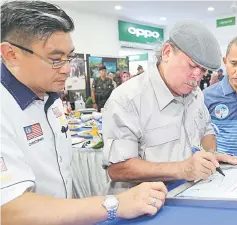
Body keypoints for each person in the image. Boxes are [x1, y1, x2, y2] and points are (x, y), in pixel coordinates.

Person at [0, 1, 167, 224]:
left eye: (70, 57)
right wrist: (114, 204)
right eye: (56, 59)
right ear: (10, 54)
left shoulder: (51, 96)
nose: (68, 69)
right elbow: (10, 208)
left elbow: (61, 177)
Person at [102, 19, 237, 195]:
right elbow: (118, 169)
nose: (197, 77)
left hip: (190, 196)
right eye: (192, 66)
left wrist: (209, 156)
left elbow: (206, 129)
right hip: (144, 208)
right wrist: (182, 169)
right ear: (167, 53)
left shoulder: (195, 93)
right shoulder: (127, 100)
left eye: (204, 71)